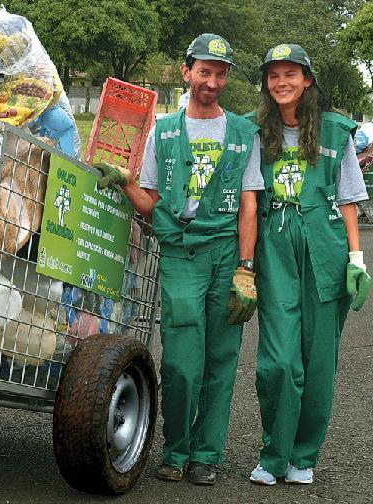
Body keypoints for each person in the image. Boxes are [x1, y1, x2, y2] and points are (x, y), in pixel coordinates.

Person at [96, 33, 263, 485]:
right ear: (187, 71)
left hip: (226, 254)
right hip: (180, 256)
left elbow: (248, 204)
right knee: (181, 362)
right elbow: (151, 203)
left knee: (220, 360)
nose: (212, 80)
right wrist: (124, 181)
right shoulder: (164, 132)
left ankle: (207, 454)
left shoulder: (244, 134)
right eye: (204, 71)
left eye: (220, 73)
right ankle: (176, 447)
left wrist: (246, 269)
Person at [248, 43, 370, 486]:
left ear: (307, 80)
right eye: (273, 75)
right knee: (279, 360)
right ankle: (273, 454)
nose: (281, 83)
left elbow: (350, 199)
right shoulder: (256, 130)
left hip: (325, 246)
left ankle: (303, 455)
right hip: (276, 246)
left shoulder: (337, 132)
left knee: (319, 360)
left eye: (290, 74)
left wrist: (356, 259)